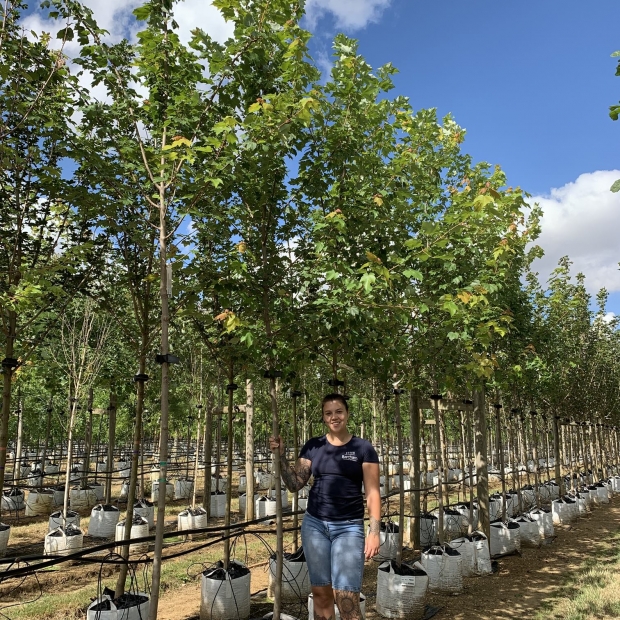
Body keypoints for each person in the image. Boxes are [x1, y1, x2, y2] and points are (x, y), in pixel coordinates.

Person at [269, 393, 381, 620]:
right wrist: (280, 457)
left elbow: (372, 492)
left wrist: (374, 532)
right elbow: (295, 483)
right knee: (320, 595)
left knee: (347, 599)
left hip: (348, 528)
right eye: (328, 413)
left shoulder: (363, 448)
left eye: (339, 411)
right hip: (315, 526)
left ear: (347, 413)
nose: (334, 417)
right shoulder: (314, 446)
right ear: (323, 417)